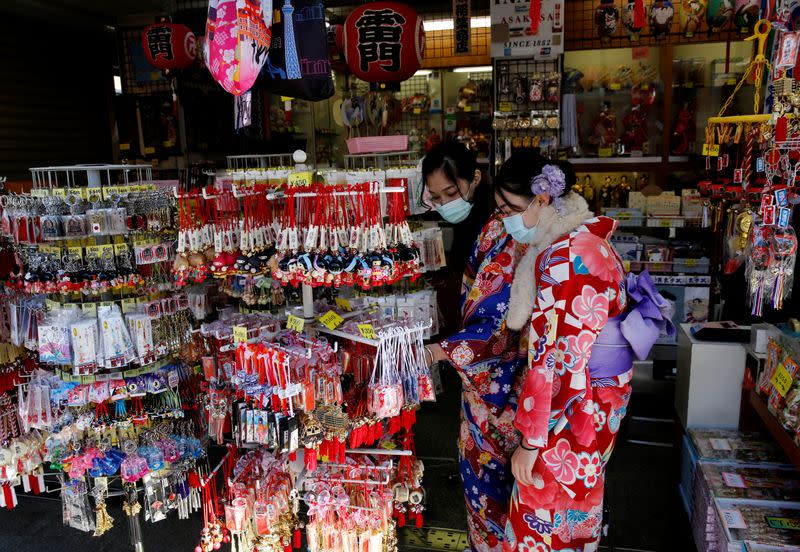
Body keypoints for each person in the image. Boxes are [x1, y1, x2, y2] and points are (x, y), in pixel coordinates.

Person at [491, 155, 673, 551]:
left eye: (510, 209)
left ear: (541, 200)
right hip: (597, 399)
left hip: (571, 410)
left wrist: (531, 440)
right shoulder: (587, 241)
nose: (505, 219)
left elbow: (556, 356)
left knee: (544, 515)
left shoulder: (566, 258)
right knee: (577, 510)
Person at [422, 141, 528, 551]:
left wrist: (440, 351)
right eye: (437, 196)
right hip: (487, 380)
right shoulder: (490, 229)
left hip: (501, 382)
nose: (447, 203)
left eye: (452, 193)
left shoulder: (505, 233)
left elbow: (495, 324)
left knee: (492, 483)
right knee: (488, 485)